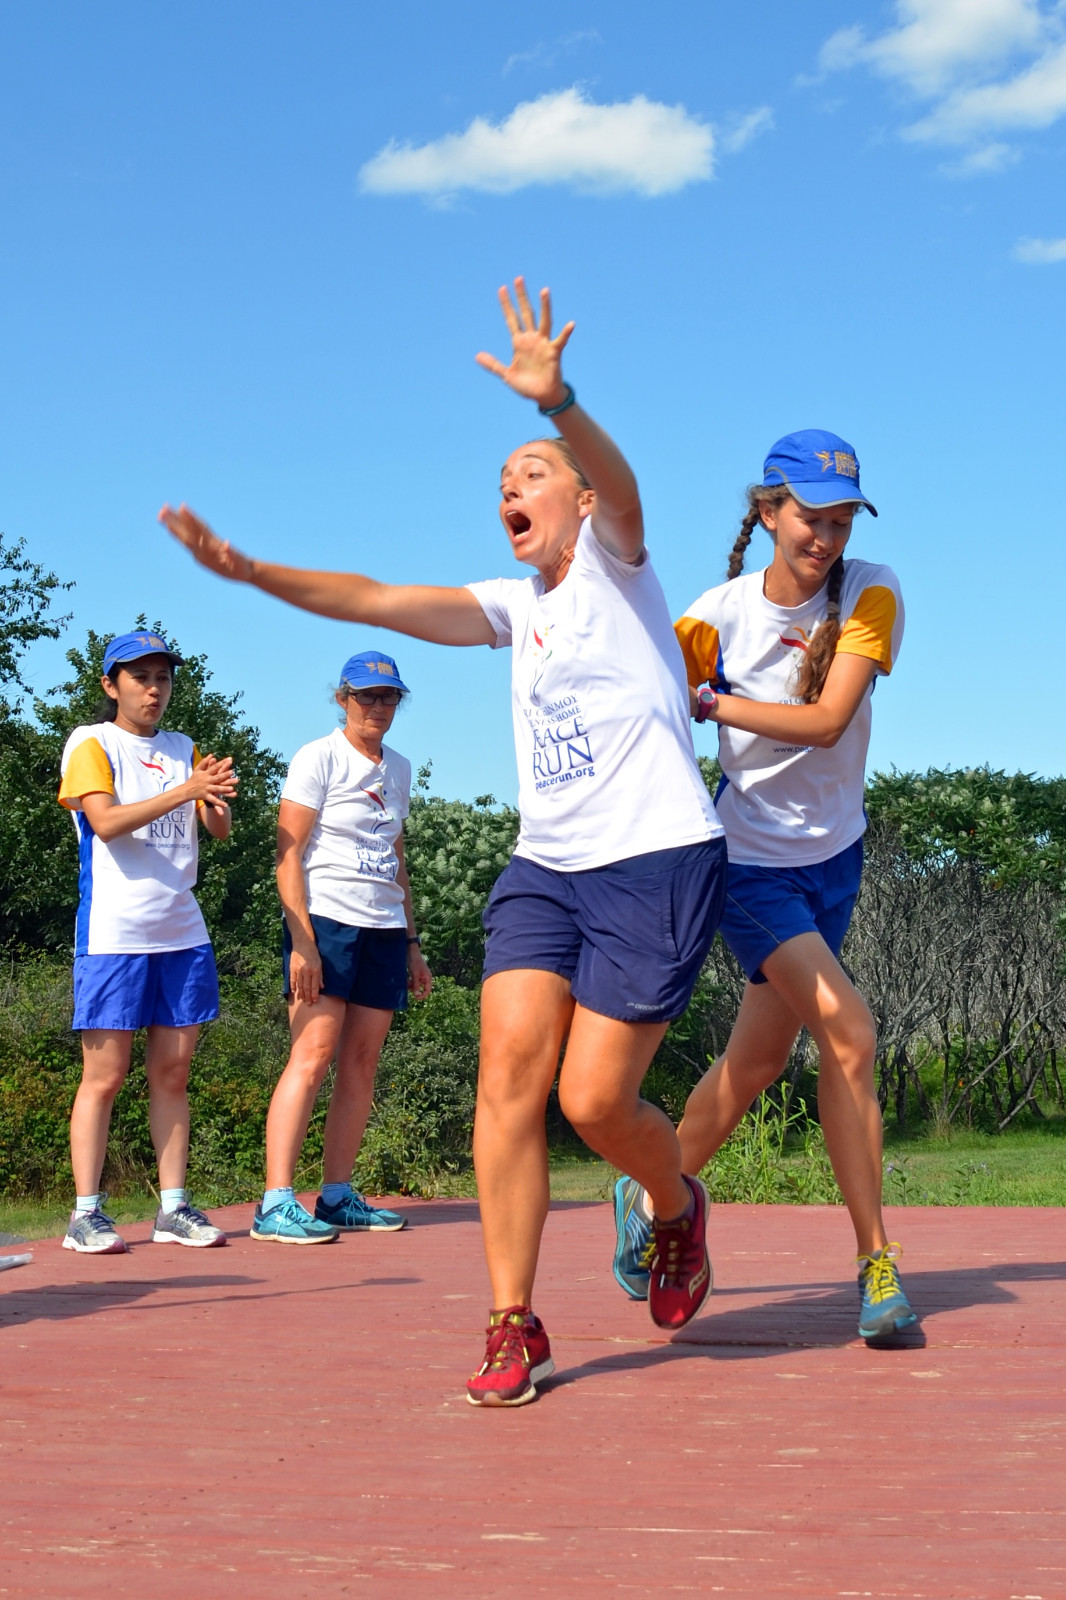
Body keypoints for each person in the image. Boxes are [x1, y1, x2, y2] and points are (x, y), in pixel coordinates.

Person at [159, 277, 728, 1406]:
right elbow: (376, 597)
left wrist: (558, 405)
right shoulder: (515, 606)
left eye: (533, 473)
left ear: (577, 499)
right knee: (505, 1080)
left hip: (656, 858)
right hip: (546, 868)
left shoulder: (619, 563)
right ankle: (515, 1320)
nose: (511, 487)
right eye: (502, 479)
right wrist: (252, 572)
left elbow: (622, 485)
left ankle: (673, 1205)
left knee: (593, 1104)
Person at [611, 430, 917, 1342]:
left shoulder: (872, 590)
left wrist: (712, 702)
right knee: (851, 1035)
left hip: (837, 858)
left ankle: (646, 1195)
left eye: (840, 521)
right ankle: (876, 1264)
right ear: (768, 512)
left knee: (755, 1064)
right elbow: (643, 709)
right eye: (809, 517)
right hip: (747, 864)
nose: (825, 537)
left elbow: (827, 721)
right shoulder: (714, 618)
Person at [57, 629, 238, 1252]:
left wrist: (213, 796)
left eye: (163, 677)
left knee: (174, 1072)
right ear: (111, 685)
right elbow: (105, 822)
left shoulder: (184, 748)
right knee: (105, 1076)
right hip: (115, 931)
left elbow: (218, 829)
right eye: (140, 677)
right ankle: (85, 1213)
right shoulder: (92, 742)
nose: (154, 689)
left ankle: (173, 1207)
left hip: (181, 930)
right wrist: (185, 790)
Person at [251, 650, 434, 1244]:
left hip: (384, 927)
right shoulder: (318, 756)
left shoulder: (399, 768)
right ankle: (275, 1202)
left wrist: (412, 943)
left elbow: (395, 857)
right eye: (366, 696)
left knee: (361, 1061)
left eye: (388, 696)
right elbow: (287, 856)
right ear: (343, 699)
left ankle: (336, 1196)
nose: (377, 706)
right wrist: (302, 941)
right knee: (313, 1052)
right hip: (327, 920)